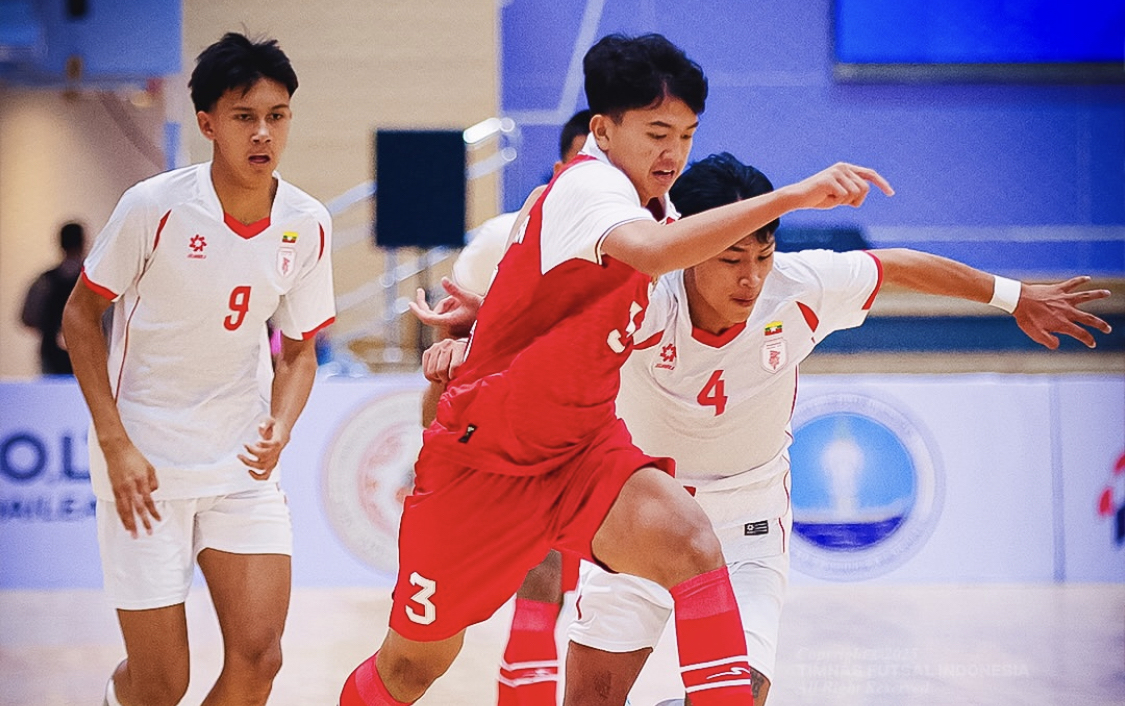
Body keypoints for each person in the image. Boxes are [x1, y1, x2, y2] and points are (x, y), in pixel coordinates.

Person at [418, 152, 1112, 706]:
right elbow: (542, 328)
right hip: (635, 513)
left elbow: (895, 265)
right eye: (729, 257)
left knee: (735, 696)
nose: (750, 276)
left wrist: (1013, 295)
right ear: (688, 245)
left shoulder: (800, 288)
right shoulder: (641, 294)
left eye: (761, 254)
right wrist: (473, 339)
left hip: (746, 521)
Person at [341, 33, 893, 706]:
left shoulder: (653, 205)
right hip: (486, 465)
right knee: (411, 668)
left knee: (693, 541)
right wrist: (790, 198)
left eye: (686, 135)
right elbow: (653, 256)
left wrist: (489, 322)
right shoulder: (591, 186)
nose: (674, 154)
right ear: (601, 130)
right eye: (657, 132)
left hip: (580, 450)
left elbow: (554, 302)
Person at [61, 32, 335, 706]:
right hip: (145, 469)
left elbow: (300, 350)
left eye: (277, 116)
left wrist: (282, 422)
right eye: (245, 117)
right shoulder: (153, 207)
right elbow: (79, 318)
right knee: (160, 685)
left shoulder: (307, 222)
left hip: (241, 466)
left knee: (260, 656)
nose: (263, 132)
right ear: (209, 124)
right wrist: (115, 443)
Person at [419, 109, 592, 706]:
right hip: (502, 438)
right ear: (559, 169)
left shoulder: (644, 238)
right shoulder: (501, 237)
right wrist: (436, 455)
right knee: (527, 581)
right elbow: (449, 352)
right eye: (582, 162)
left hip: (590, 433)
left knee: (586, 595)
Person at [20, 221, 86, 374]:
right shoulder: (91, 281)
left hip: (52, 356)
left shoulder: (45, 281)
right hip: (86, 355)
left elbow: (28, 318)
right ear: (83, 243)